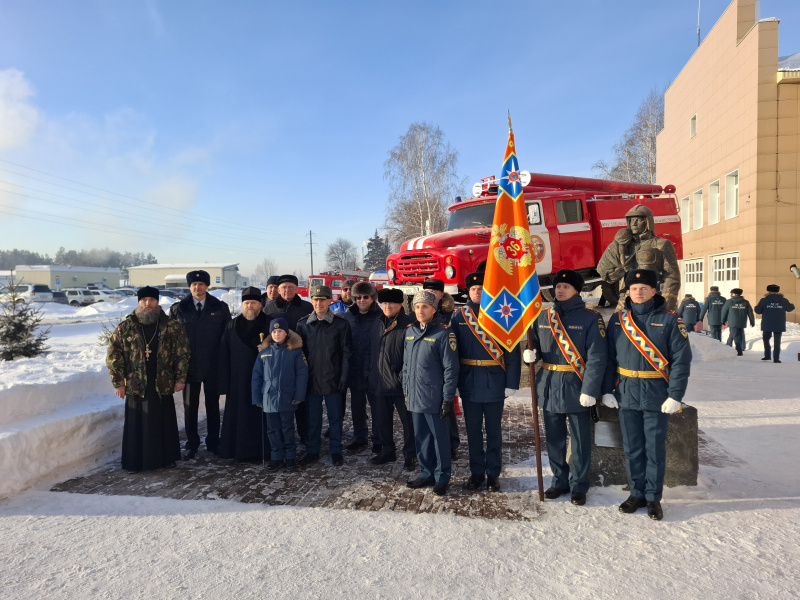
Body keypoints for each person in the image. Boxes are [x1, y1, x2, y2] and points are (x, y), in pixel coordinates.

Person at [601, 269, 692, 521]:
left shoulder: (670, 320)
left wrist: (675, 395)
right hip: (626, 392)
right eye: (633, 288)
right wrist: (607, 390)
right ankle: (636, 493)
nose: (638, 292)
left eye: (643, 288)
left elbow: (681, 361)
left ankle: (653, 497)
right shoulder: (618, 320)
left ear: (654, 291)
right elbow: (609, 359)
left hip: (657, 394)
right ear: (628, 292)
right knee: (632, 448)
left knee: (654, 449)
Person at [524, 269, 607, 505]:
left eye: (566, 287)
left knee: (580, 441)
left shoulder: (591, 318)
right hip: (549, 385)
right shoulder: (543, 317)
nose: (560, 290)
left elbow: (597, 357)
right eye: (558, 287)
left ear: (576, 291)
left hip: (577, 385)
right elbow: (535, 344)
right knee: (554, 439)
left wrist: (590, 389)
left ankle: (579, 485)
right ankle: (559, 481)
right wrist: (530, 354)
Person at [106, 286, 190, 472]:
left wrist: (180, 378)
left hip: (162, 381)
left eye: (152, 300)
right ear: (138, 302)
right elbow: (113, 355)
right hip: (136, 383)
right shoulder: (126, 327)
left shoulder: (171, 326)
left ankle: (165, 458)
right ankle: (135, 461)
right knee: (138, 424)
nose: (148, 304)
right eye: (144, 300)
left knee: (163, 421)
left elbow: (182, 354)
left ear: (157, 302)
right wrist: (118, 382)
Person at [451, 272, 521, 492]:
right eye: (473, 289)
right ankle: (476, 473)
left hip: (494, 380)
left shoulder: (502, 313)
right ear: (467, 292)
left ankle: (493, 474)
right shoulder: (458, 317)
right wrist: (454, 382)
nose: (476, 292)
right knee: (473, 431)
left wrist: (511, 382)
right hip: (469, 380)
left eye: (481, 289)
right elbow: (452, 353)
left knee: (494, 432)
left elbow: (512, 351)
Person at [169, 270, 231, 458]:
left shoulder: (219, 307)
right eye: (194, 284)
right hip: (189, 366)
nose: (198, 287)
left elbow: (227, 336)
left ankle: (213, 442)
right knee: (190, 407)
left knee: (213, 406)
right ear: (189, 287)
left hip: (212, 365)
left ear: (207, 286)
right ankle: (192, 443)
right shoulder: (178, 309)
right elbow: (170, 339)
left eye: (201, 284)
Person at [403, 290, 459, 496]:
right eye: (417, 307)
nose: (420, 311)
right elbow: (406, 365)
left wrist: (447, 399)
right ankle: (426, 473)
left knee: (440, 439)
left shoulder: (444, 333)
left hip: (434, 397)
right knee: (421, 437)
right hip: (415, 395)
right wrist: (406, 390)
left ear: (433, 310)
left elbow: (451, 369)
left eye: (425, 307)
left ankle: (442, 477)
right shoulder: (410, 332)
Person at [295, 285, 352, 466]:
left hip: (332, 378)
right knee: (313, 418)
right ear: (311, 301)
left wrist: (343, 377)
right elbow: (298, 354)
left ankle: (336, 449)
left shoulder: (340, 324)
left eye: (322, 300)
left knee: (335, 417)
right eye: (315, 300)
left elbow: (346, 353)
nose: (319, 303)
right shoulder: (303, 324)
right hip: (311, 379)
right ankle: (312, 449)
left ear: (329, 301)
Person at [217, 286, 270, 462]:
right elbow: (224, 355)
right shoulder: (232, 325)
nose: (250, 306)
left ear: (260, 305)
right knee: (239, 415)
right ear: (242, 305)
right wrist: (224, 382)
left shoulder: (270, 324)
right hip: (238, 381)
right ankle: (238, 450)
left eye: (253, 303)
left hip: (264, 380)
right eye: (247, 303)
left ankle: (262, 451)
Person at [597, 204, 681, 311]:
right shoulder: (622, 246)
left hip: (652, 300)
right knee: (618, 321)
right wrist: (617, 246)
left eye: (638, 220)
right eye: (631, 220)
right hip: (626, 301)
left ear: (648, 221)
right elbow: (605, 274)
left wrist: (666, 305)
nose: (634, 223)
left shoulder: (661, 244)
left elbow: (672, 277)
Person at [251, 318, 308, 472]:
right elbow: (257, 376)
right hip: (268, 398)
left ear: (286, 333)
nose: (277, 334)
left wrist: (299, 395)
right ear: (271, 334)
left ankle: (290, 458)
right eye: (274, 331)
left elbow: (302, 375)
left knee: (287, 428)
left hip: (287, 397)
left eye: (280, 331)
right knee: (272, 430)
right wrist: (257, 397)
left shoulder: (295, 352)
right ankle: (276, 458)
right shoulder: (264, 353)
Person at [262, 274, 313, 443]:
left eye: (291, 287)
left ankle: (305, 433)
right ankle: (281, 436)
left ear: (297, 289)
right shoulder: (269, 309)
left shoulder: (306, 307)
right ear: (278, 289)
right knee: (281, 398)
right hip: (278, 360)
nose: (287, 290)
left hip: (301, 358)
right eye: (284, 287)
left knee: (301, 397)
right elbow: (265, 334)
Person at [369, 287, 416, 469]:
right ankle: (387, 450)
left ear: (400, 304)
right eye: (384, 303)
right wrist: (370, 372)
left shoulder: (409, 324)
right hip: (380, 380)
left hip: (401, 383)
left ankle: (410, 455)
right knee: (381, 420)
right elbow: (370, 351)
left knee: (409, 422)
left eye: (392, 303)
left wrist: (402, 377)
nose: (387, 306)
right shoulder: (377, 323)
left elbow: (412, 356)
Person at [422, 277, 460, 458]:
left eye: (434, 292)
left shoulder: (451, 315)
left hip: (445, 367)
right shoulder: (420, 312)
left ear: (441, 295)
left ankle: (452, 445)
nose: (430, 295)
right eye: (427, 292)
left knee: (447, 409)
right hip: (427, 370)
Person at [343, 281, 382, 453]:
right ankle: (360, 437)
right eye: (358, 297)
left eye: (365, 297)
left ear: (372, 298)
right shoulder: (348, 316)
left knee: (377, 408)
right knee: (357, 407)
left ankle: (378, 439)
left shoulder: (380, 316)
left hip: (374, 369)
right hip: (355, 369)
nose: (362, 300)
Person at [754, 284, 795, 363]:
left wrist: (756, 307)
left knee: (766, 339)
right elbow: (790, 308)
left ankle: (767, 355)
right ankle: (776, 358)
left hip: (767, 323)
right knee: (777, 341)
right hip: (779, 324)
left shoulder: (764, 300)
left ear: (768, 291)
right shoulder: (783, 300)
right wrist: (792, 305)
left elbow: (758, 311)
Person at [721, 288, 755, 356]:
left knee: (736, 335)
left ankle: (739, 351)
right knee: (738, 334)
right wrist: (752, 321)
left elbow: (724, 311)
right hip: (742, 322)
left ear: (735, 294)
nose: (731, 295)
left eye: (732, 293)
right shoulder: (745, 302)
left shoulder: (729, 302)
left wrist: (723, 320)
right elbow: (750, 312)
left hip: (733, 322)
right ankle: (729, 346)